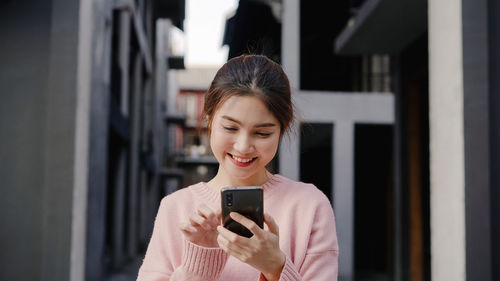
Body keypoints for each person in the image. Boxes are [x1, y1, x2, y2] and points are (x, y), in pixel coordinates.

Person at [136, 54, 339, 281]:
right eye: (231, 128)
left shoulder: (309, 206)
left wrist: (276, 267)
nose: (243, 147)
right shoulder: (176, 208)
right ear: (209, 119)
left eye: (262, 133)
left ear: (282, 129)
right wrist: (200, 265)